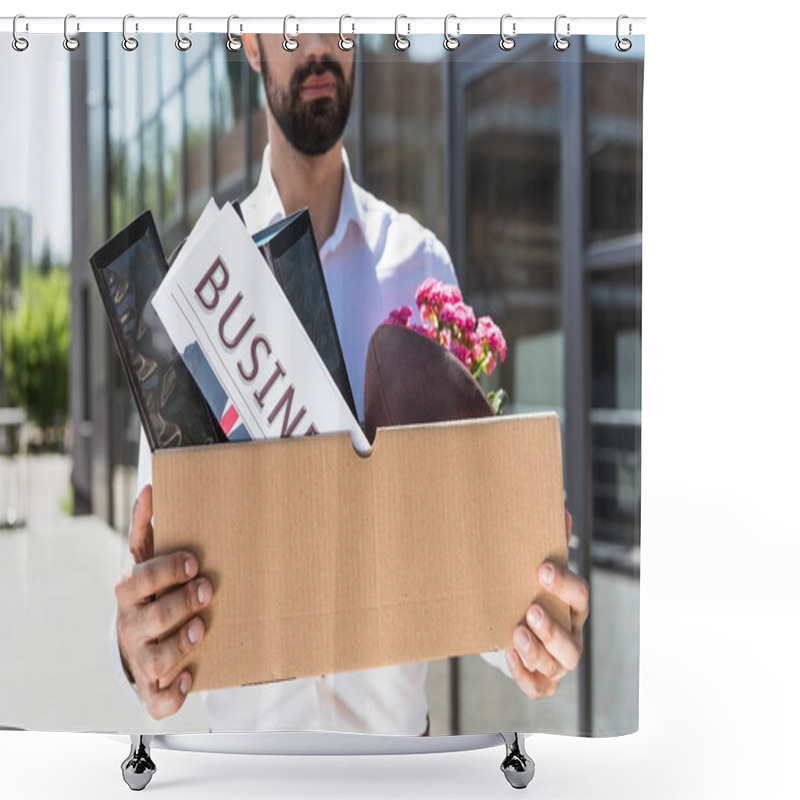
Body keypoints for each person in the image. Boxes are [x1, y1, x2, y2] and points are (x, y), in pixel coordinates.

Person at [113, 32, 590, 733]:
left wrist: (530, 627)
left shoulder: (419, 265)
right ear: (247, 40)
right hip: (252, 778)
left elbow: (467, 540)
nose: (319, 46)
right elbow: (149, 562)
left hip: (398, 770)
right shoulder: (195, 290)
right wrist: (137, 653)